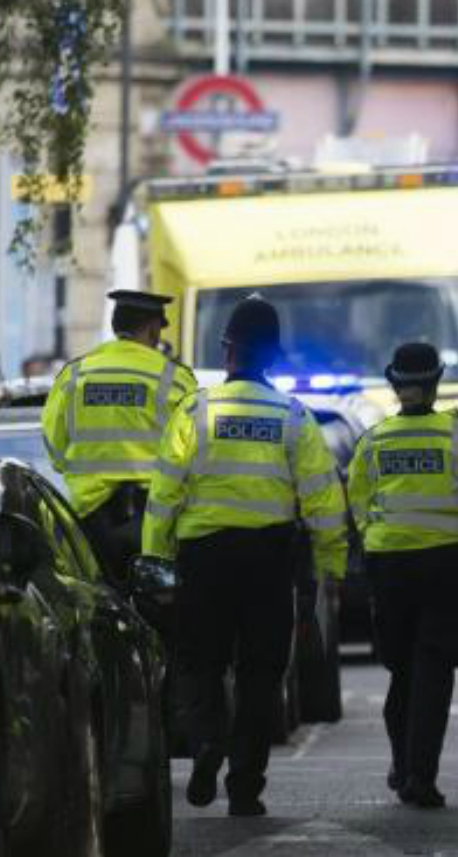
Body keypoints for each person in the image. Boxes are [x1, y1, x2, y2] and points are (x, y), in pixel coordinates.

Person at [141, 296, 347, 817]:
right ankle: (245, 786)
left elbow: (165, 493)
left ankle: (207, 739)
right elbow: (323, 500)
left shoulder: (196, 411)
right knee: (261, 673)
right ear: (272, 358)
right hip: (268, 560)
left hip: (203, 558)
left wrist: (155, 558)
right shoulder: (293, 417)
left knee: (198, 661)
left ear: (227, 350)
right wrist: (331, 567)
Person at [347, 342, 458, 809]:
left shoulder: (373, 441)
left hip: (388, 569)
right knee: (434, 670)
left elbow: (358, 506)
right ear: (438, 382)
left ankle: (403, 765)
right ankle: (420, 774)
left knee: (402, 672)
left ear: (395, 384)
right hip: (444, 566)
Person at [42, 291, 196, 575]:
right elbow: (194, 453)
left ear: (115, 326)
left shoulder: (74, 374)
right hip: (153, 519)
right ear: (153, 328)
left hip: (87, 517)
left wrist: (85, 471)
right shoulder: (176, 378)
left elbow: (54, 446)